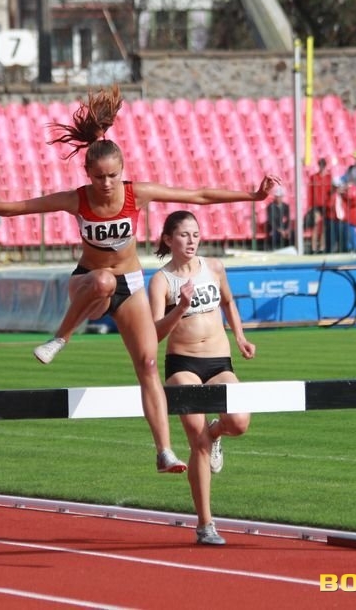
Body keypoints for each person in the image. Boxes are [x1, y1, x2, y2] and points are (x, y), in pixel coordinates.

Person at [0, 86, 280, 474]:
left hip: (131, 286)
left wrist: (252, 196)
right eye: (99, 177)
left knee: (147, 362)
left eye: (113, 176)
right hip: (88, 284)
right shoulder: (77, 199)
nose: (106, 183)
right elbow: (14, 208)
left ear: (122, 171)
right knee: (105, 281)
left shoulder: (137, 194)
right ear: (87, 174)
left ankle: (164, 452)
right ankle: (60, 338)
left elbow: (198, 195)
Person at [148, 210, 253, 546]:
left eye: (195, 234)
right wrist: (180, 307)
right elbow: (154, 333)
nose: (191, 241)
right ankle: (205, 524)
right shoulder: (161, 281)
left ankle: (217, 432)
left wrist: (240, 337)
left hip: (220, 361)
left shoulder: (214, 267)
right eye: (184, 235)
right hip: (183, 364)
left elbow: (229, 302)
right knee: (198, 443)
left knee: (239, 423)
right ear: (168, 239)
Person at [306, 158, 333, 253]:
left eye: (323, 165)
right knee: (315, 226)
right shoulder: (314, 177)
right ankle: (313, 248)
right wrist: (310, 205)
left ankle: (322, 247)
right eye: (320, 165)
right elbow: (310, 192)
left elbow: (331, 192)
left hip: (326, 205)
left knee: (324, 227)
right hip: (316, 205)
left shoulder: (329, 178)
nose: (322, 167)